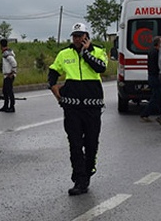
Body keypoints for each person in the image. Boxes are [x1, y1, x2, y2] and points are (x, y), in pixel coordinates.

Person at [48, 22, 107, 196]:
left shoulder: (97, 51)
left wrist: (86, 52)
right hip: (72, 107)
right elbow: (53, 72)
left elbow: (101, 68)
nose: (77, 39)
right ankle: (80, 178)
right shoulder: (64, 54)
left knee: (90, 143)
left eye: (81, 36)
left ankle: (87, 171)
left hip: (92, 106)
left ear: (86, 37)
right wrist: (54, 89)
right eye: (75, 36)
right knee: (75, 143)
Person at [141, 36, 161, 122]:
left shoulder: (151, 51)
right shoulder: (157, 53)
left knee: (160, 96)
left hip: (152, 77)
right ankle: (145, 113)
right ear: (158, 43)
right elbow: (158, 66)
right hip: (155, 77)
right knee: (156, 97)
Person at [0, 39, 18, 113]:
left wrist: (12, 72)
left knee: (9, 91)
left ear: (1, 45)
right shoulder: (8, 52)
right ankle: (6, 106)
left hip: (9, 75)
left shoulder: (6, 53)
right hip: (7, 75)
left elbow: (14, 63)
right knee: (5, 91)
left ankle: (12, 107)